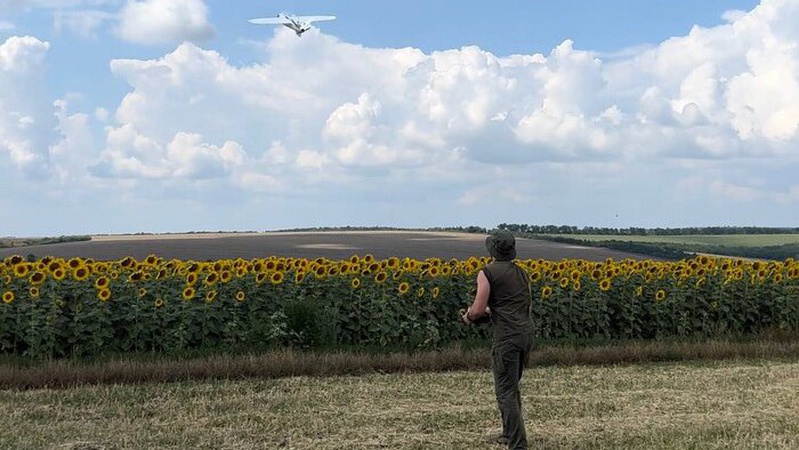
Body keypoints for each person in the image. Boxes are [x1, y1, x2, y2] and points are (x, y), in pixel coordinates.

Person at [462, 230, 534, 450]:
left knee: (504, 391)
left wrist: (469, 317)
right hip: (526, 334)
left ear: (492, 249)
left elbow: (477, 309)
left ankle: (517, 444)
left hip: (507, 338)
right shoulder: (522, 273)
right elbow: (517, 304)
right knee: (512, 386)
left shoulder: (487, 273)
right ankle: (507, 433)